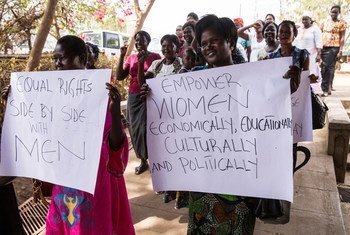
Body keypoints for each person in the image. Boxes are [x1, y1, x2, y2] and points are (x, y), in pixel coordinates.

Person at [45, 35, 134, 234]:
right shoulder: (50, 95)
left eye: (64, 58)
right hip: (66, 182)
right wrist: (15, 102)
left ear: (83, 60)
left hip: (96, 184)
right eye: (55, 58)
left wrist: (114, 112)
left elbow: (116, 149)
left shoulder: (100, 94)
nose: (58, 63)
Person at [116, 31, 161, 175]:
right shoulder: (132, 57)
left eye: (142, 40)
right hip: (133, 96)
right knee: (134, 129)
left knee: (145, 129)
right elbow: (119, 76)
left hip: (148, 95)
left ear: (148, 41)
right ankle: (143, 160)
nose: (139, 42)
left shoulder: (155, 57)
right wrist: (122, 55)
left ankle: (154, 159)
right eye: (137, 40)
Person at [320, 5, 347, 96]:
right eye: (332, 12)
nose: (333, 14)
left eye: (336, 12)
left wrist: (341, 50)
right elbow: (320, 34)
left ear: (339, 13)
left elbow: (342, 37)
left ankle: (325, 89)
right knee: (324, 68)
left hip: (334, 47)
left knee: (328, 67)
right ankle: (328, 87)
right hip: (323, 47)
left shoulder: (342, 23)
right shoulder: (324, 22)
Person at [294, 12, 322, 84]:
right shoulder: (300, 29)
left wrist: (318, 55)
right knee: (302, 74)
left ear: (310, 19)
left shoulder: (315, 29)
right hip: (300, 56)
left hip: (311, 56)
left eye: (306, 19)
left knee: (311, 73)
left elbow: (319, 43)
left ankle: (312, 91)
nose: (304, 21)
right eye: (303, 19)